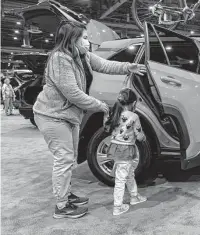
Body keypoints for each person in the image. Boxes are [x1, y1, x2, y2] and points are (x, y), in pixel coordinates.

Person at [33, 21, 146, 219]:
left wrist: (129, 67)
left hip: (69, 116)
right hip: (52, 116)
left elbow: (105, 65)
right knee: (64, 159)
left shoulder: (82, 55)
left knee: (72, 157)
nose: (88, 41)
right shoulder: (60, 58)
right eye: (84, 38)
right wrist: (101, 105)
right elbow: (73, 93)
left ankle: (66, 195)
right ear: (72, 39)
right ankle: (61, 206)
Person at [104, 88, 147, 216]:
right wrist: (143, 137)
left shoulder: (115, 113)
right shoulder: (134, 116)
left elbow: (106, 128)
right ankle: (117, 206)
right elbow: (139, 136)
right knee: (121, 178)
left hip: (115, 147)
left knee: (129, 173)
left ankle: (134, 196)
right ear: (133, 103)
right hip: (126, 149)